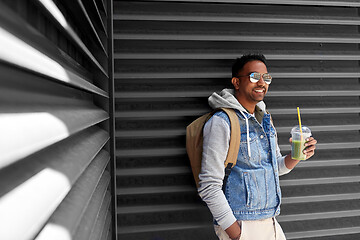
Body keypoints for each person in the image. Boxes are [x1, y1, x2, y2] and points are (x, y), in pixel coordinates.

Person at [197, 54, 317, 240]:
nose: (262, 82)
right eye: (254, 77)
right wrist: (237, 234)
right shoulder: (222, 122)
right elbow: (209, 185)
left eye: (266, 77)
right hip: (242, 225)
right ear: (236, 82)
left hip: (271, 221)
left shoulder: (265, 118)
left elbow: (274, 168)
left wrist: (296, 155)